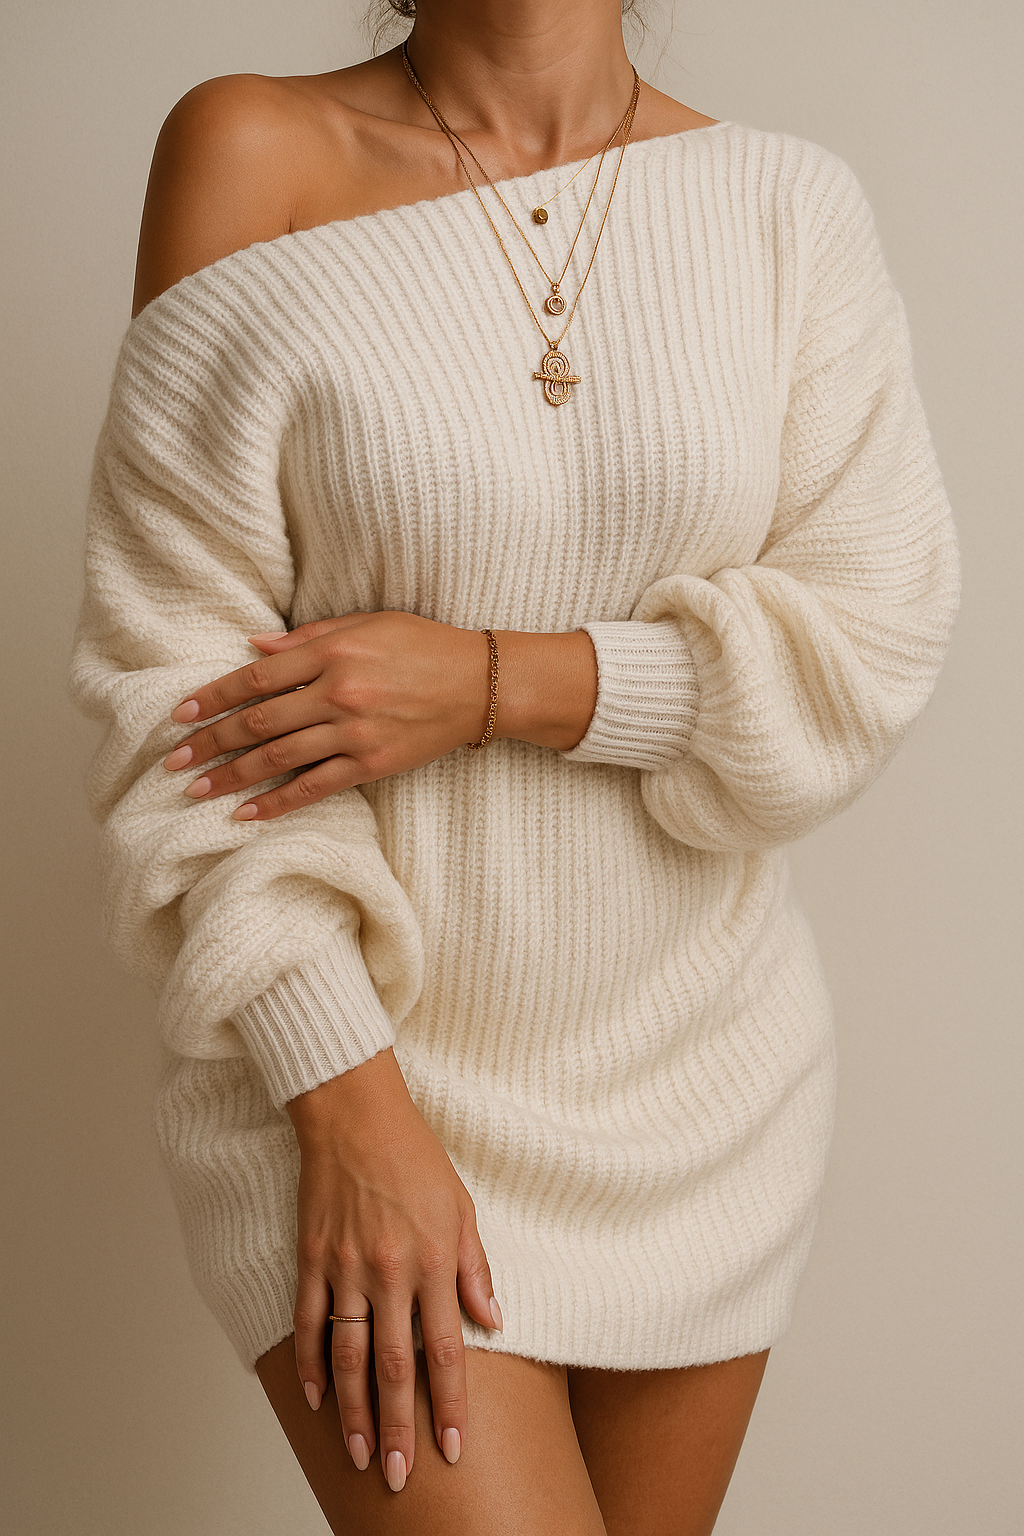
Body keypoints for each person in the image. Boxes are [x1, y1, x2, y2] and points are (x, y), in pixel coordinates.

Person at [68, 1, 961, 1531]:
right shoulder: (249, 149)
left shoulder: (788, 208)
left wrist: (499, 683)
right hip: (350, 1076)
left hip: (705, 1091)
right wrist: (349, 1111)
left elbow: (865, 650)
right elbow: (177, 707)